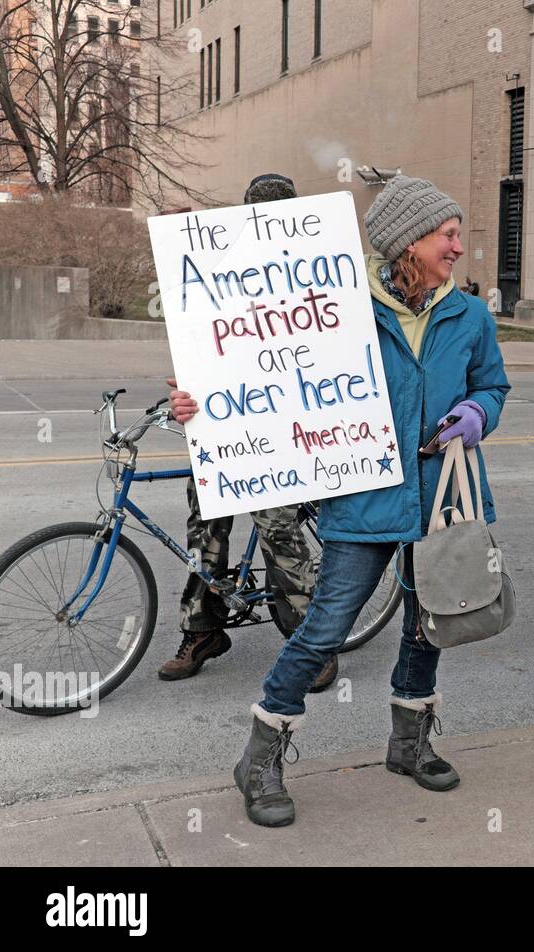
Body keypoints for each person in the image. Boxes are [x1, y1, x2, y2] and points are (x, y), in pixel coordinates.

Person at [175, 175, 510, 827]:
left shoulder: (469, 314)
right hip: (364, 498)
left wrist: (478, 411)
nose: (458, 246)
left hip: (441, 498)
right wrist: (205, 403)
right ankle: (261, 756)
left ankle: (409, 743)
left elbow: (493, 384)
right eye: (447, 234)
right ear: (409, 241)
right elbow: (268, 367)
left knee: (429, 620)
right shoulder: (341, 307)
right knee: (324, 628)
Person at [160, 172, 336, 695]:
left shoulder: (315, 277)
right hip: (225, 429)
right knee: (204, 529)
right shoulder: (220, 275)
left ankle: (312, 644)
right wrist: (184, 397)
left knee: (280, 530)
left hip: (283, 433)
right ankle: (202, 630)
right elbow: (201, 355)